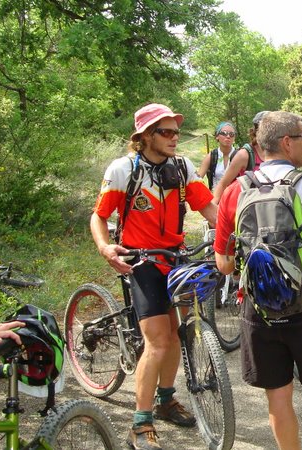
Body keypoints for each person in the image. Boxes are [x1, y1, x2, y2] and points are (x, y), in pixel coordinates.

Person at [214, 111, 302, 450]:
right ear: (287, 142)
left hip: (259, 311)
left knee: (278, 396)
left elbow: (224, 264)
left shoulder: (235, 191)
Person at [91, 103, 218, 450]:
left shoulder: (181, 167)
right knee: (158, 340)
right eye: (166, 132)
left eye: (176, 131)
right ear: (145, 136)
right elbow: (99, 217)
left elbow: (208, 207)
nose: (175, 138)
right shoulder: (124, 169)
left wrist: (231, 233)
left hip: (174, 258)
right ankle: (140, 424)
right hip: (141, 261)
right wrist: (105, 248)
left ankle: (166, 400)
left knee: (176, 334)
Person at [211, 111, 267, 207]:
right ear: (256, 130)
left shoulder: (279, 153)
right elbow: (223, 184)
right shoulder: (245, 155)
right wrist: (213, 210)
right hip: (246, 210)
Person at [196, 121, 236, 191]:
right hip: (215, 198)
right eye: (224, 133)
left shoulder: (240, 155)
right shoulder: (211, 156)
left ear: (234, 138)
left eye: (231, 134)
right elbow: (197, 180)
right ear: (217, 136)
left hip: (234, 198)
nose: (228, 136)